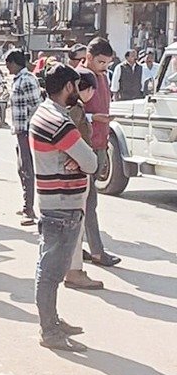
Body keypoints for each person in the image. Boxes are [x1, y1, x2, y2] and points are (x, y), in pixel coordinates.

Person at [29, 64, 98, 352]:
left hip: (55, 202)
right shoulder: (59, 122)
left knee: (51, 267)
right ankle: (50, 331)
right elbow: (92, 162)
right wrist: (80, 159)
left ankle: (52, 322)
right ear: (69, 87)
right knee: (51, 270)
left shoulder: (46, 113)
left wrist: (77, 158)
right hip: (62, 204)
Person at [63, 70, 105, 291]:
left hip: (74, 167)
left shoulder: (70, 108)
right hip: (77, 168)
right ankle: (74, 270)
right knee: (77, 221)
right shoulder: (76, 109)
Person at [81, 38, 122, 267]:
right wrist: (93, 118)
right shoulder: (79, 77)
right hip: (83, 146)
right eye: (100, 62)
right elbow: (70, 113)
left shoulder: (103, 77)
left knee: (87, 202)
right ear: (88, 56)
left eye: (107, 63)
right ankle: (96, 251)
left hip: (99, 144)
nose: (104, 66)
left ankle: (82, 248)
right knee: (88, 202)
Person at [7, 49, 41, 226]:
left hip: (28, 130)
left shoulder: (27, 80)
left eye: (8, 63)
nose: (7, 67)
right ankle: (26, 204)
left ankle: (29, 209)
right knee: (21, 169)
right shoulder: (18, 80)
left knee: (27, 170)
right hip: (20, 130)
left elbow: (36, 106)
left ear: (14, 63)